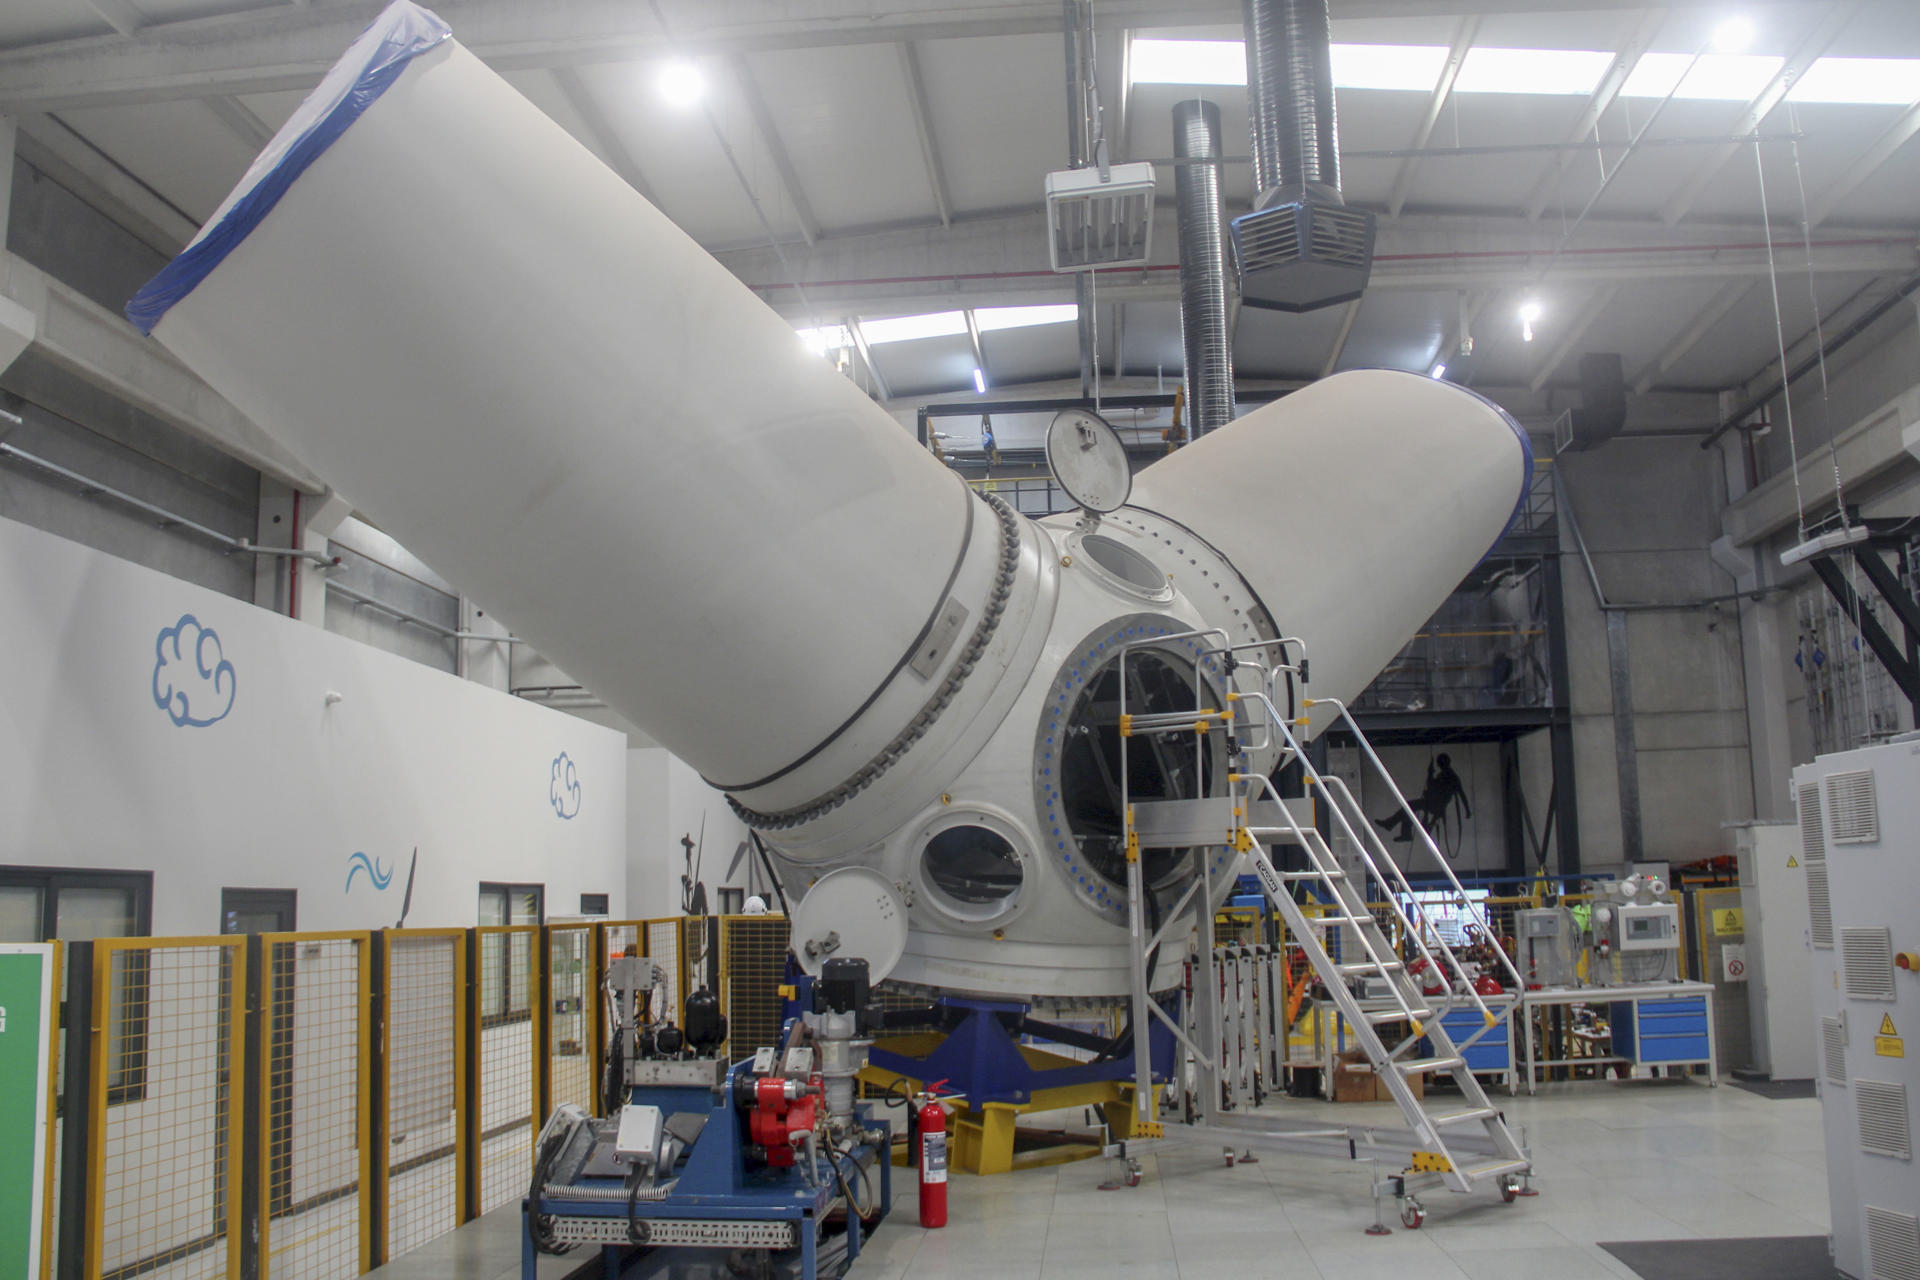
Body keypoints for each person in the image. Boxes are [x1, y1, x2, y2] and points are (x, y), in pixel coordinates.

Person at [1376, 753, 1471, 847]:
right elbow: (1433, 786)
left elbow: (1459, 793)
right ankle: (1402, 831)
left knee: (1410, 806)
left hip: (1436, 805)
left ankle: (1396, 827)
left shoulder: (1450, 777)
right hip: (1433, 803)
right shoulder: (1445, 775)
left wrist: (1467, 810)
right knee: (1409, 807)